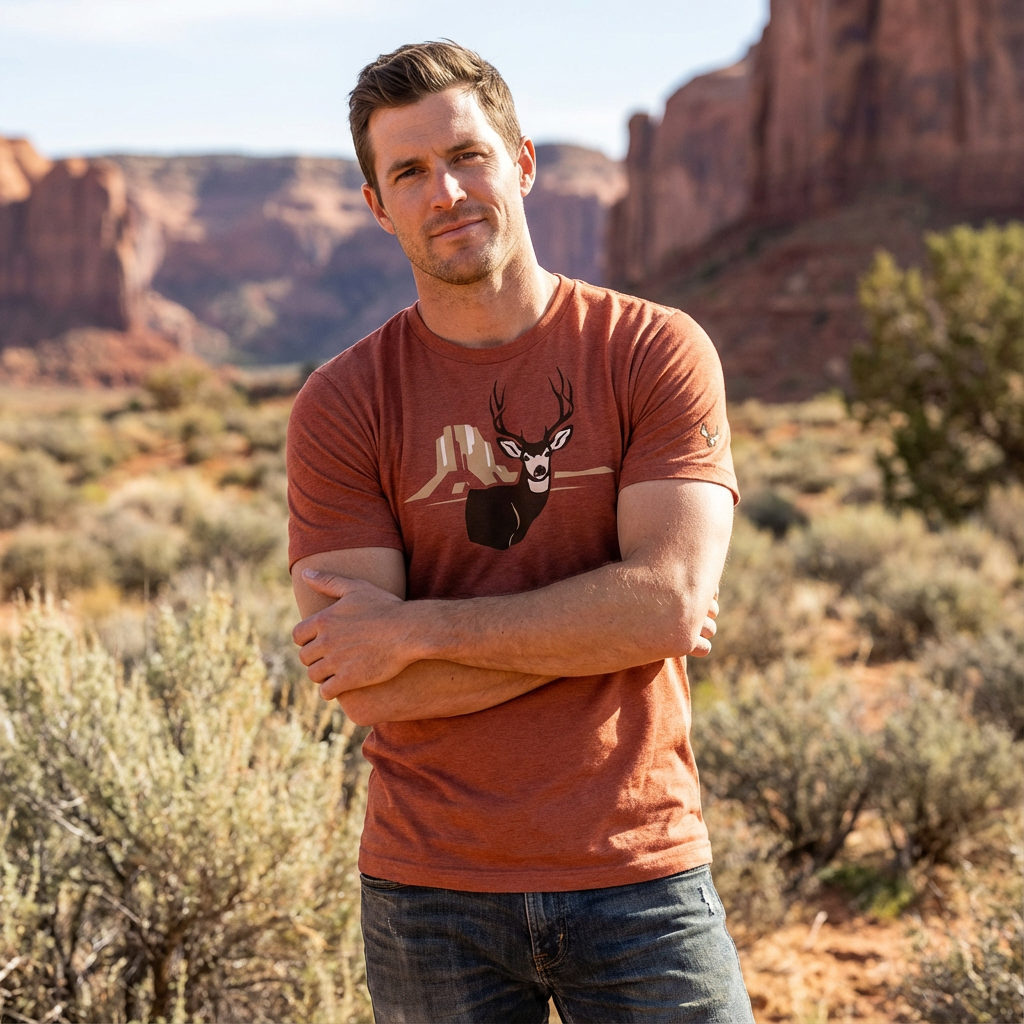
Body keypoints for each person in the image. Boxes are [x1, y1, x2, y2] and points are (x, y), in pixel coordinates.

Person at [287, 40, 753, 1024]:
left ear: (522, 161)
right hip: (428, 891)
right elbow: (366, 684)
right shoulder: (341, 404)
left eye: (467, 155)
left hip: (639, 870)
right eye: (408, 172)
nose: (445, 191)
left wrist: (415, 628)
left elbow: (664, 604)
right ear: (377, 205)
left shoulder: (650, 349)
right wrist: (609, 622)